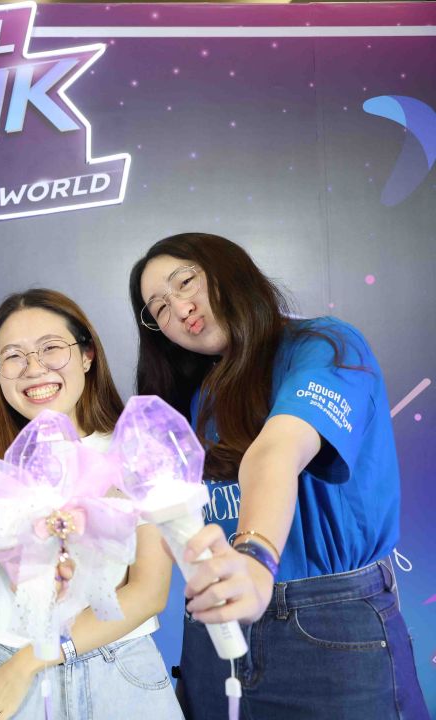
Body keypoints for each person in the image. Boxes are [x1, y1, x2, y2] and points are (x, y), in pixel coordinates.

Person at [129, 232, 427, 719]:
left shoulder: (323, 347)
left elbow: (275, 453)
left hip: (327, 624)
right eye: (159, 308)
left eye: (185, 282)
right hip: (214, 634)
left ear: (229, 270)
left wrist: (254, 559)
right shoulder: (194, 396)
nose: (179, 309)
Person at [0, 289, 182, 720]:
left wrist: (32, 661)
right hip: (18, 682)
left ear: (86, 355)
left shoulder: (142, 450)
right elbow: (37, 569)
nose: (34, 368)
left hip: (119, 669)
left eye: (50, 348)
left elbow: (149, 593)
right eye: (14, 356)